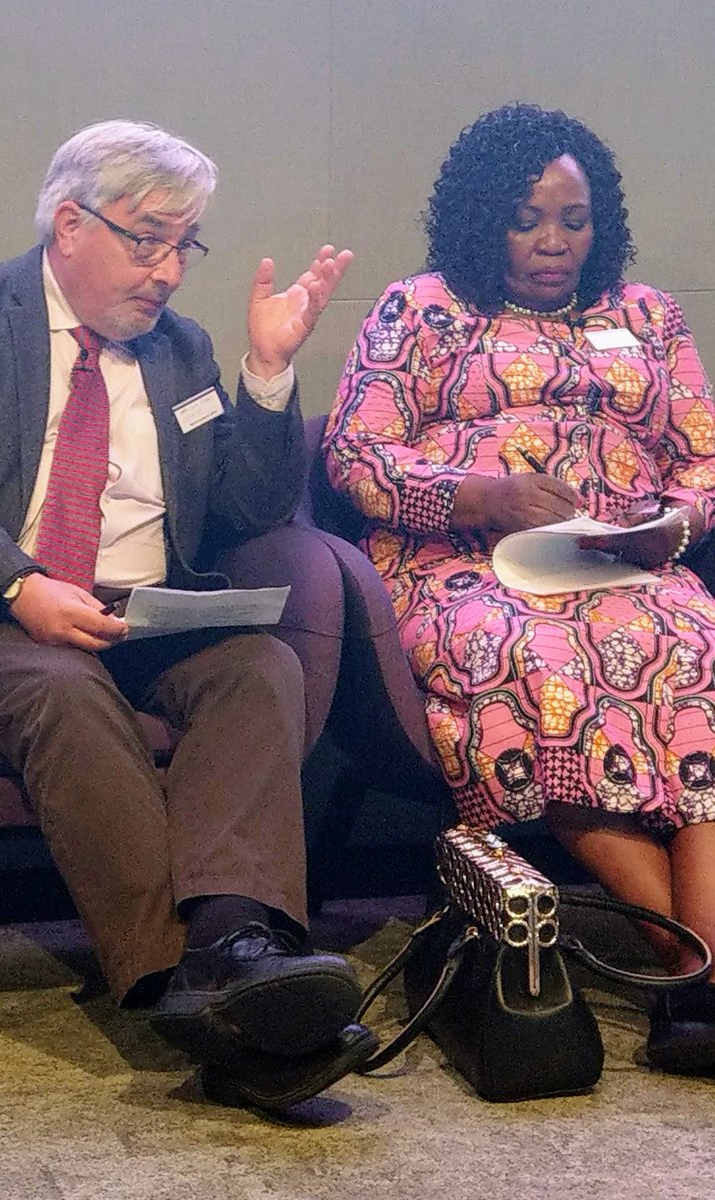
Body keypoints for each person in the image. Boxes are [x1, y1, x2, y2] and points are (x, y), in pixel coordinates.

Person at [0, 119, 376, 1112]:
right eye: (147, 240)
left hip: (138, 612)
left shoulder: (180, 351)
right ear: (69, 225)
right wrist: (19, 585)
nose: (169, 271)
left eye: (185, 245)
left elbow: (247, 513)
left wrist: (267, 374)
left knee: (258, 667)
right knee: (62, 688)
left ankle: (232, 941)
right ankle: (189, 984)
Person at [324, 103, 715, 1075]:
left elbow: (701, 459)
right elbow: (355, 453)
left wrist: (672, 522)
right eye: (525, 220)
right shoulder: (420, 310)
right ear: (480, 221)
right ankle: (690, 975)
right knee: (548, 669)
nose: (552, 242)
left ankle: (699, 981)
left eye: (572, 221)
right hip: (460, 568)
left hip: (620, 565)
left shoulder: (646, 317)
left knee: (695, 651)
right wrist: (482, 495)